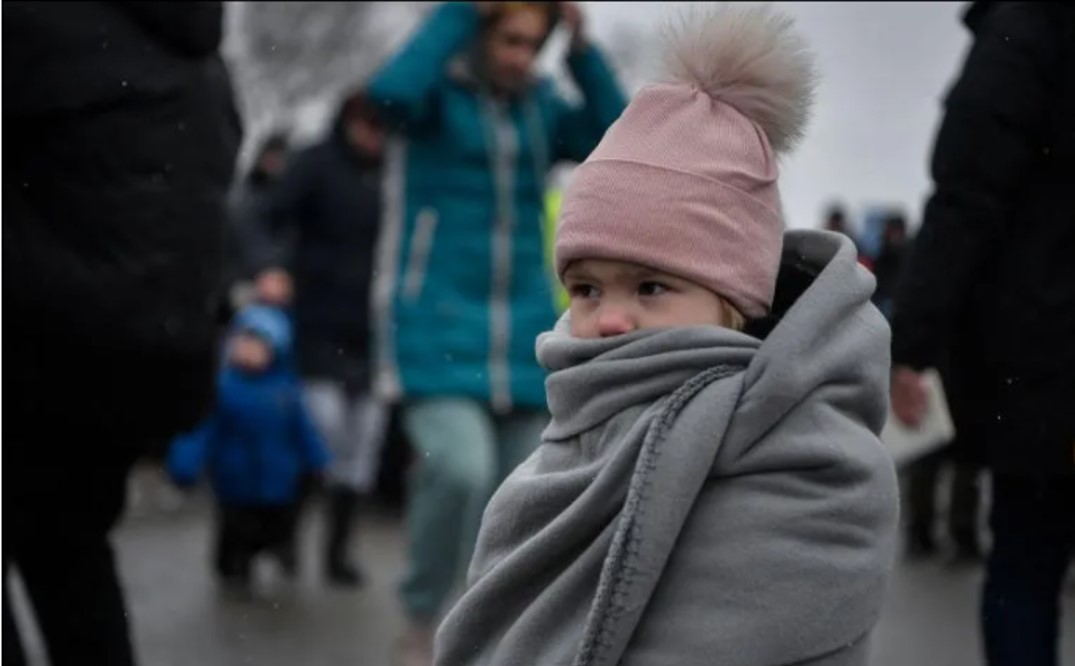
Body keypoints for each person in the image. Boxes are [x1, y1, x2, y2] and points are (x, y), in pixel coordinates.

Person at [434, 6, 899, 665]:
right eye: (587, 288)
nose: (610, 319)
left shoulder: (811, 454)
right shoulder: (572, 432)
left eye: (650, 287)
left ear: (736, 300)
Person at [367, 2, 627, 662]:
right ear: (480, 33)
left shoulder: (539, 110)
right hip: (433, 326)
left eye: (529, 44)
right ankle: (422, 619)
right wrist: (459, 11)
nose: (519, 56)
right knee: (458, 470)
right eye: (508, 40)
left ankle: (486, 629)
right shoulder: (433, 102)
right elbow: (387, 96)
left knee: (522, 498)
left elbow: (616, 133)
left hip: (518, 335)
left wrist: (578, 46)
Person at [2, 3, 241, 664]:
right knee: (68, 545)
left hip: (42, 343)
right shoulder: (198, 52)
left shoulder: (33, 23)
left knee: (60, 540)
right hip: (149, 357)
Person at [888, 3, 1075, 665]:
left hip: (1049, 361)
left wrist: (908, 344)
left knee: (1025, 564)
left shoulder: (1023, 31)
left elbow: (965, 196)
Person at [253, 90, 389, 587]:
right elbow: (263, 215)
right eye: (368, 125)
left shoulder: (397, 174)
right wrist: (269, 267)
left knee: (362, 445)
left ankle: (337, 554)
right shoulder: (314, 164)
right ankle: (285, 539)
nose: (376, 137)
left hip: (374, 333)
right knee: (320, 432)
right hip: (318, 325)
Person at [167, 305, 330, 593]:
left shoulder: (287, 390)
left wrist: (317, 460)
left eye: (259, 344)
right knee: (234, 532)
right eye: (244, 342)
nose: (250, 350)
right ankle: (233, 570)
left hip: (280, 481)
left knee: (279, 525)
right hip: (234, 484)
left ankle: (280, 552)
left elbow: (304, 431)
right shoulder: (223, 389)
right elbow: (201, 432)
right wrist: (185, 463)